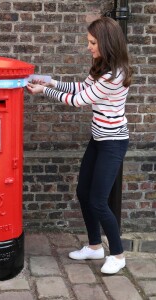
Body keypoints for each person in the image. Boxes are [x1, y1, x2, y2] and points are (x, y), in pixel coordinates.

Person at [27, 17, 132, 275]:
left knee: (98, 200)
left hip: (113, 143)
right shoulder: (100, 66)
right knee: (84, 192)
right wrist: (50, 81)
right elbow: (80, 87)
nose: (88, 47)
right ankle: (95, 246)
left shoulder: (115, 75)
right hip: (98, 139)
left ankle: (117, 255)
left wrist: (44, 91)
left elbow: (80, 100)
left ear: (106, 43)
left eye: (92, 42)